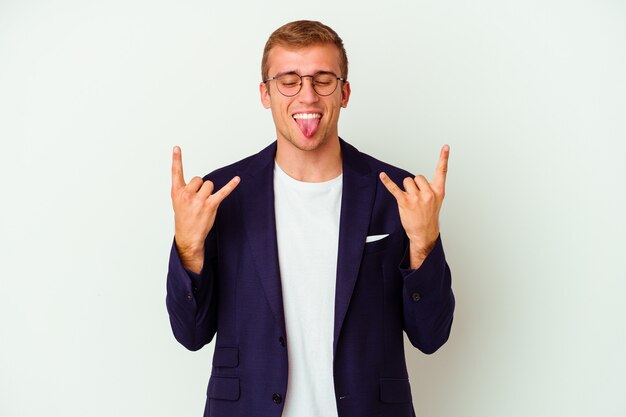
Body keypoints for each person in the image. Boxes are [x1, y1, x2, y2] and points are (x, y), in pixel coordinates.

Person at [167, 20, 454, 417]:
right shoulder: (218, 196)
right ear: (265, 94)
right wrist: (188, 245)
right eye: (289, 80)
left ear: (345, 92)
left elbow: (431, 336)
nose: (308, 95)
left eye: (323, 79)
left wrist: (424, 244)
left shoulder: (399, 195)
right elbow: (190, 335)